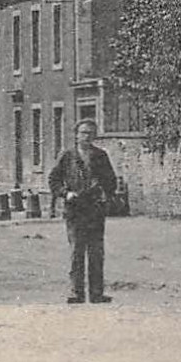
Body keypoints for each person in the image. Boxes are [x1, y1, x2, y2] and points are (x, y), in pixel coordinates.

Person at [47, 120, 119, 304]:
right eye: (83, 133)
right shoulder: (67, 156)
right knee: (77, 252)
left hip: (95, 210)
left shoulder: (101, 156)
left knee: (96, 252)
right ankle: (76, 293)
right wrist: (66, 193)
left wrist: (106, 194)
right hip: (75, 210)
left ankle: (97, 293)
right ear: (76, 135)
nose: (87, 137)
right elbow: (53, 179)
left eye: (90, 133)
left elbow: (111, 180)